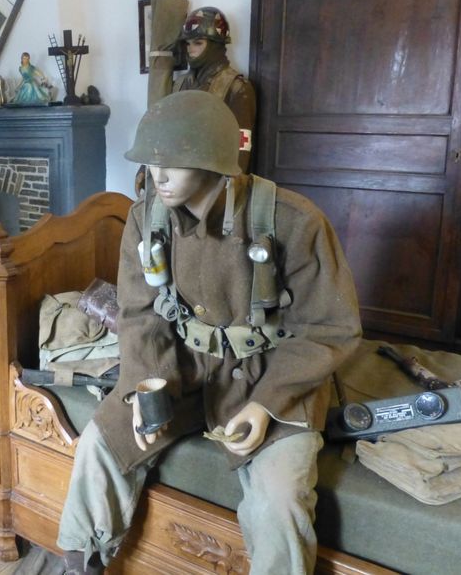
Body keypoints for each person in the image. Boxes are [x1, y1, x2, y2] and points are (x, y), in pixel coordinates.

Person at [57, 90, 362, 575]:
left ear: (214, 160)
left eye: (173, 163)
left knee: (280, 501)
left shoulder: (294, 221)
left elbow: (329, 329)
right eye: (152, 162)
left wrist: (267, 405)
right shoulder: (145, 219)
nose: (158, 176)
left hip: (270, 378)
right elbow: (141, 316)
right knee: (102, 443)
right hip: (182, 369)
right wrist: (144, 389)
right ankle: (81, 563)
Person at [173, 6, 257, 173]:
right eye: (188, 43)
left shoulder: (237, 87)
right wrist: (146, 168)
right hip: (177, 173)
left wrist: (233, 183)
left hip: (213, 175)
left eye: (198, 43)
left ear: (215, 45)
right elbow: (165, 131)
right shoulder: (179, 84)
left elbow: (241, 146)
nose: (190, 49)